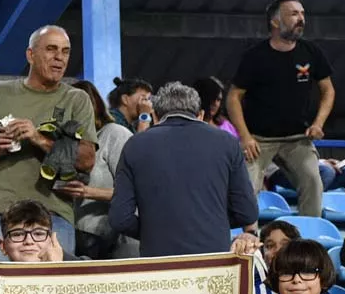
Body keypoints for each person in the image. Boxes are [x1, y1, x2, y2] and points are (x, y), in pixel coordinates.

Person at [0, 25, 97, 259]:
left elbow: (86, 159)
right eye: (51, 49)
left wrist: (37, 138)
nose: (59, 58)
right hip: (3, 217)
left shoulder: (77, 99)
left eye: (65, 52)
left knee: (53, 290)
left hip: (55, 217)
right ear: (30, 55)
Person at [109, 82, 258, 257]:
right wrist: (211, 224)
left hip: (158, 257)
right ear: (201, 115)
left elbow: (120, 218)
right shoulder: (227, 143)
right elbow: (247, 212)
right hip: (213, 256)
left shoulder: (135, 145)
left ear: (155, 116)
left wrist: (155, 231)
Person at [227, 0, 335, 217]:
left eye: (303, 13)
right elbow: (233, 97)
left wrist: (318, 123)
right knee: (245, 190)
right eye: (294, 14)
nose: (301, 19)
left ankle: (308, 243)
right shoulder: (255, 56)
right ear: (275, 22)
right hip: (259, 139)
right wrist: (245, 136)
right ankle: (247, 241)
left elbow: (328, 90)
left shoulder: (311, 52)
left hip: (297, 138)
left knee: (313, 181)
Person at [56, 80, 135, 259]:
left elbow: (135, 192)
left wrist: (87, 192)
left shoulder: (114, 134)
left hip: (115, 243)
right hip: (78, 241)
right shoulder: (67, 144)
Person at [270, 158, 345, 200]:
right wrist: (321, 164)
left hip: (309, 168)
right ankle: (311, 206)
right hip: (280, 171)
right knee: (327, 171)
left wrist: (323, 161)